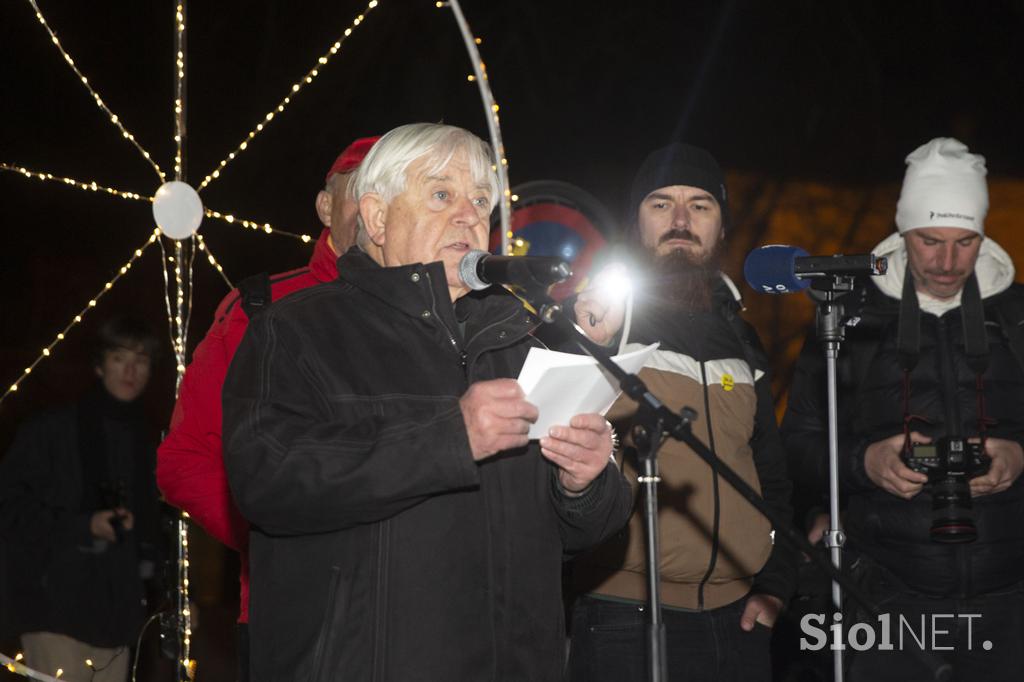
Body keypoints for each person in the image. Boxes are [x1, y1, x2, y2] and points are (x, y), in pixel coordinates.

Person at [221, 122, 633, 682]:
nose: (469, 215)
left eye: (482, 201)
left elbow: (580, 536)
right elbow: (267, 479)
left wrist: (584, 484)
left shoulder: (521, 341)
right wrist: (449, 438)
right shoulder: (297, 329)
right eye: (442, 194)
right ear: (377, 216)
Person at [781, 137, 1024, 680]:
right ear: (902, 231)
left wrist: (1018, 456)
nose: (946, 261)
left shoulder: (1016, 316)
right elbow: (794, 446)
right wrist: (863, 464)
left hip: (1011, 602)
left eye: (965, 242)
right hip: (888, 603)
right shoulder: (847, 319)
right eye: (929, 240)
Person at [568, 143, 796, 682]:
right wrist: (579, 340)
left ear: (721, 227)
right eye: (660, 204)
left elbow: (773, 477)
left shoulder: (742, 338)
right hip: (621, 618)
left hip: (737, 624)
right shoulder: (602, 320)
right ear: (637, 223)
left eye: (699, 205)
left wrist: (775, 588)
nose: (680, 220)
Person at [156, 135, 379, 680]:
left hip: (411, 617)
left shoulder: (433, 319)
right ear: (326, 206)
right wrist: (276, 537)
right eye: (363, 193)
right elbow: (184, 458)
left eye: (394, 194)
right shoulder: (261, 308)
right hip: (293, 615)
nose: (378, 212)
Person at [0, 317, 162, 682]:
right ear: (100, 363)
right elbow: (9, 506)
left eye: (142, 359)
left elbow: (157, 531)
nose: (131, 370)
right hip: (53, 606)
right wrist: (84, 526)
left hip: (117, 613)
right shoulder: (52, 430)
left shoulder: (148, 440)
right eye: (120, 357)